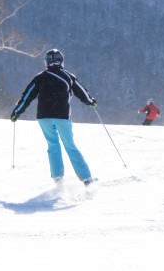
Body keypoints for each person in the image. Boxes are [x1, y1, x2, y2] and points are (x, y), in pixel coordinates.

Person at [10, 49, 98, 186]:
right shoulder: (68, 76)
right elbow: (82, 93)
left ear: (46, 62)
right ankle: (86, 178)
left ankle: (58, 178)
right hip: (62, 116)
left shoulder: (40, 77)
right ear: (61, 60)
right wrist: (91, 102)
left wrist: (17, 112)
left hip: (44, 117)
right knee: (70, 146)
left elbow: (27, 96)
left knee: (53, 145)